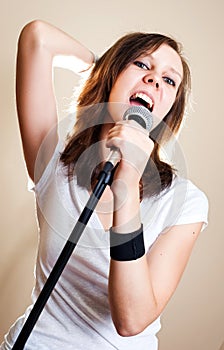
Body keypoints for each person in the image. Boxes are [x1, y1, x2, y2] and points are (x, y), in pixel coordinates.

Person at [1, 20, 208, 350]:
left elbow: (131, 319)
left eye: (169, 80)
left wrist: (127, 180)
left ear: (169, 110)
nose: (154, 79)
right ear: (113, 76)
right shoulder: (54, 162)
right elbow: (37, 36)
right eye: (140, 63)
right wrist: (98, 65)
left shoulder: (184, 202)